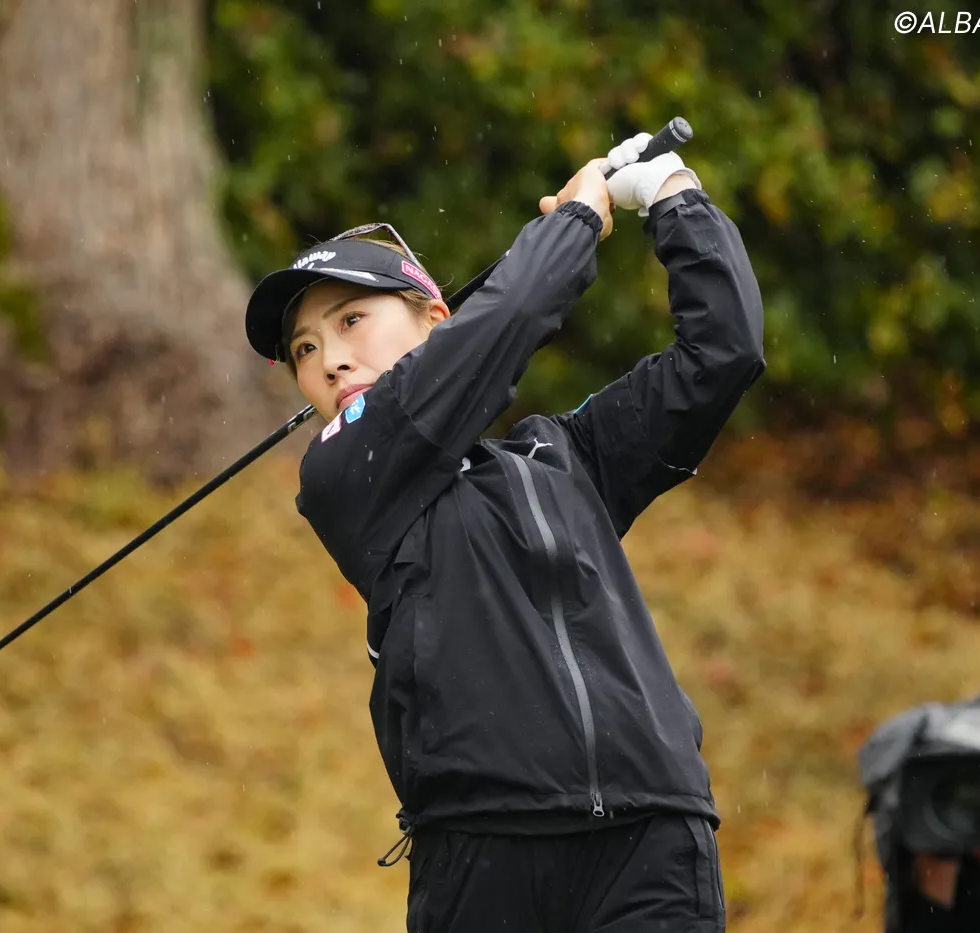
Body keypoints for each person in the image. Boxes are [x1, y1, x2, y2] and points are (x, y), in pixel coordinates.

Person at [243, 134, 765, 932]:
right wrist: (577, 221)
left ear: (436, 317)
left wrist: (672, 195)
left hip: (650, 837)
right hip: (482, 857)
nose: (331, 361)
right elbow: (513, 315)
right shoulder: (341, 474)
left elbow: (722, 351)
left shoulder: (566, 456)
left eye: (351, 320)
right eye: (305, 349)